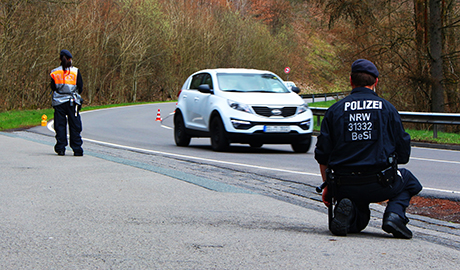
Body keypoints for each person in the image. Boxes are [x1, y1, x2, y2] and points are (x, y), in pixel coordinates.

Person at [314, 59, 422, 239]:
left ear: (350, 80)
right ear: (376, 82)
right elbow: (403, 152)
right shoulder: (387, 109)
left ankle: (349, 215)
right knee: (410, 181)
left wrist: (328, 187)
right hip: (380, 183)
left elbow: (322, 154)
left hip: (344, 184)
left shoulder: (335, 110)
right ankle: (394, 216)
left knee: (358, 217)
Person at [50, 49, 84, 156]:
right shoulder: (75, 71)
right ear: (70, 59)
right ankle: (77, 148)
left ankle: (60, 148)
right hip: (72, 101)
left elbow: (53, 87)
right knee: (75, 125)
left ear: (60, 59)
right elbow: (80, 87)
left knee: (60, 125)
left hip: (59, 102)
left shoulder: (55, 72)